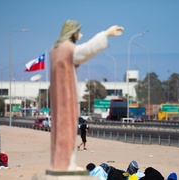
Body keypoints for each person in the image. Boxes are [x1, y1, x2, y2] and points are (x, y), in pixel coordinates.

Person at [49, 20, 123, 171]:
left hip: (60, 95)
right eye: (76, 32)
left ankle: (65, 163)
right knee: (66, 132)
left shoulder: (55, 49)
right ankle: (65, 165)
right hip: (66, 96)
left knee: (65, 132)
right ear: (71, 33)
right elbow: (85, 51)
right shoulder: (65, 49)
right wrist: (105, 34)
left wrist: (74, 40)